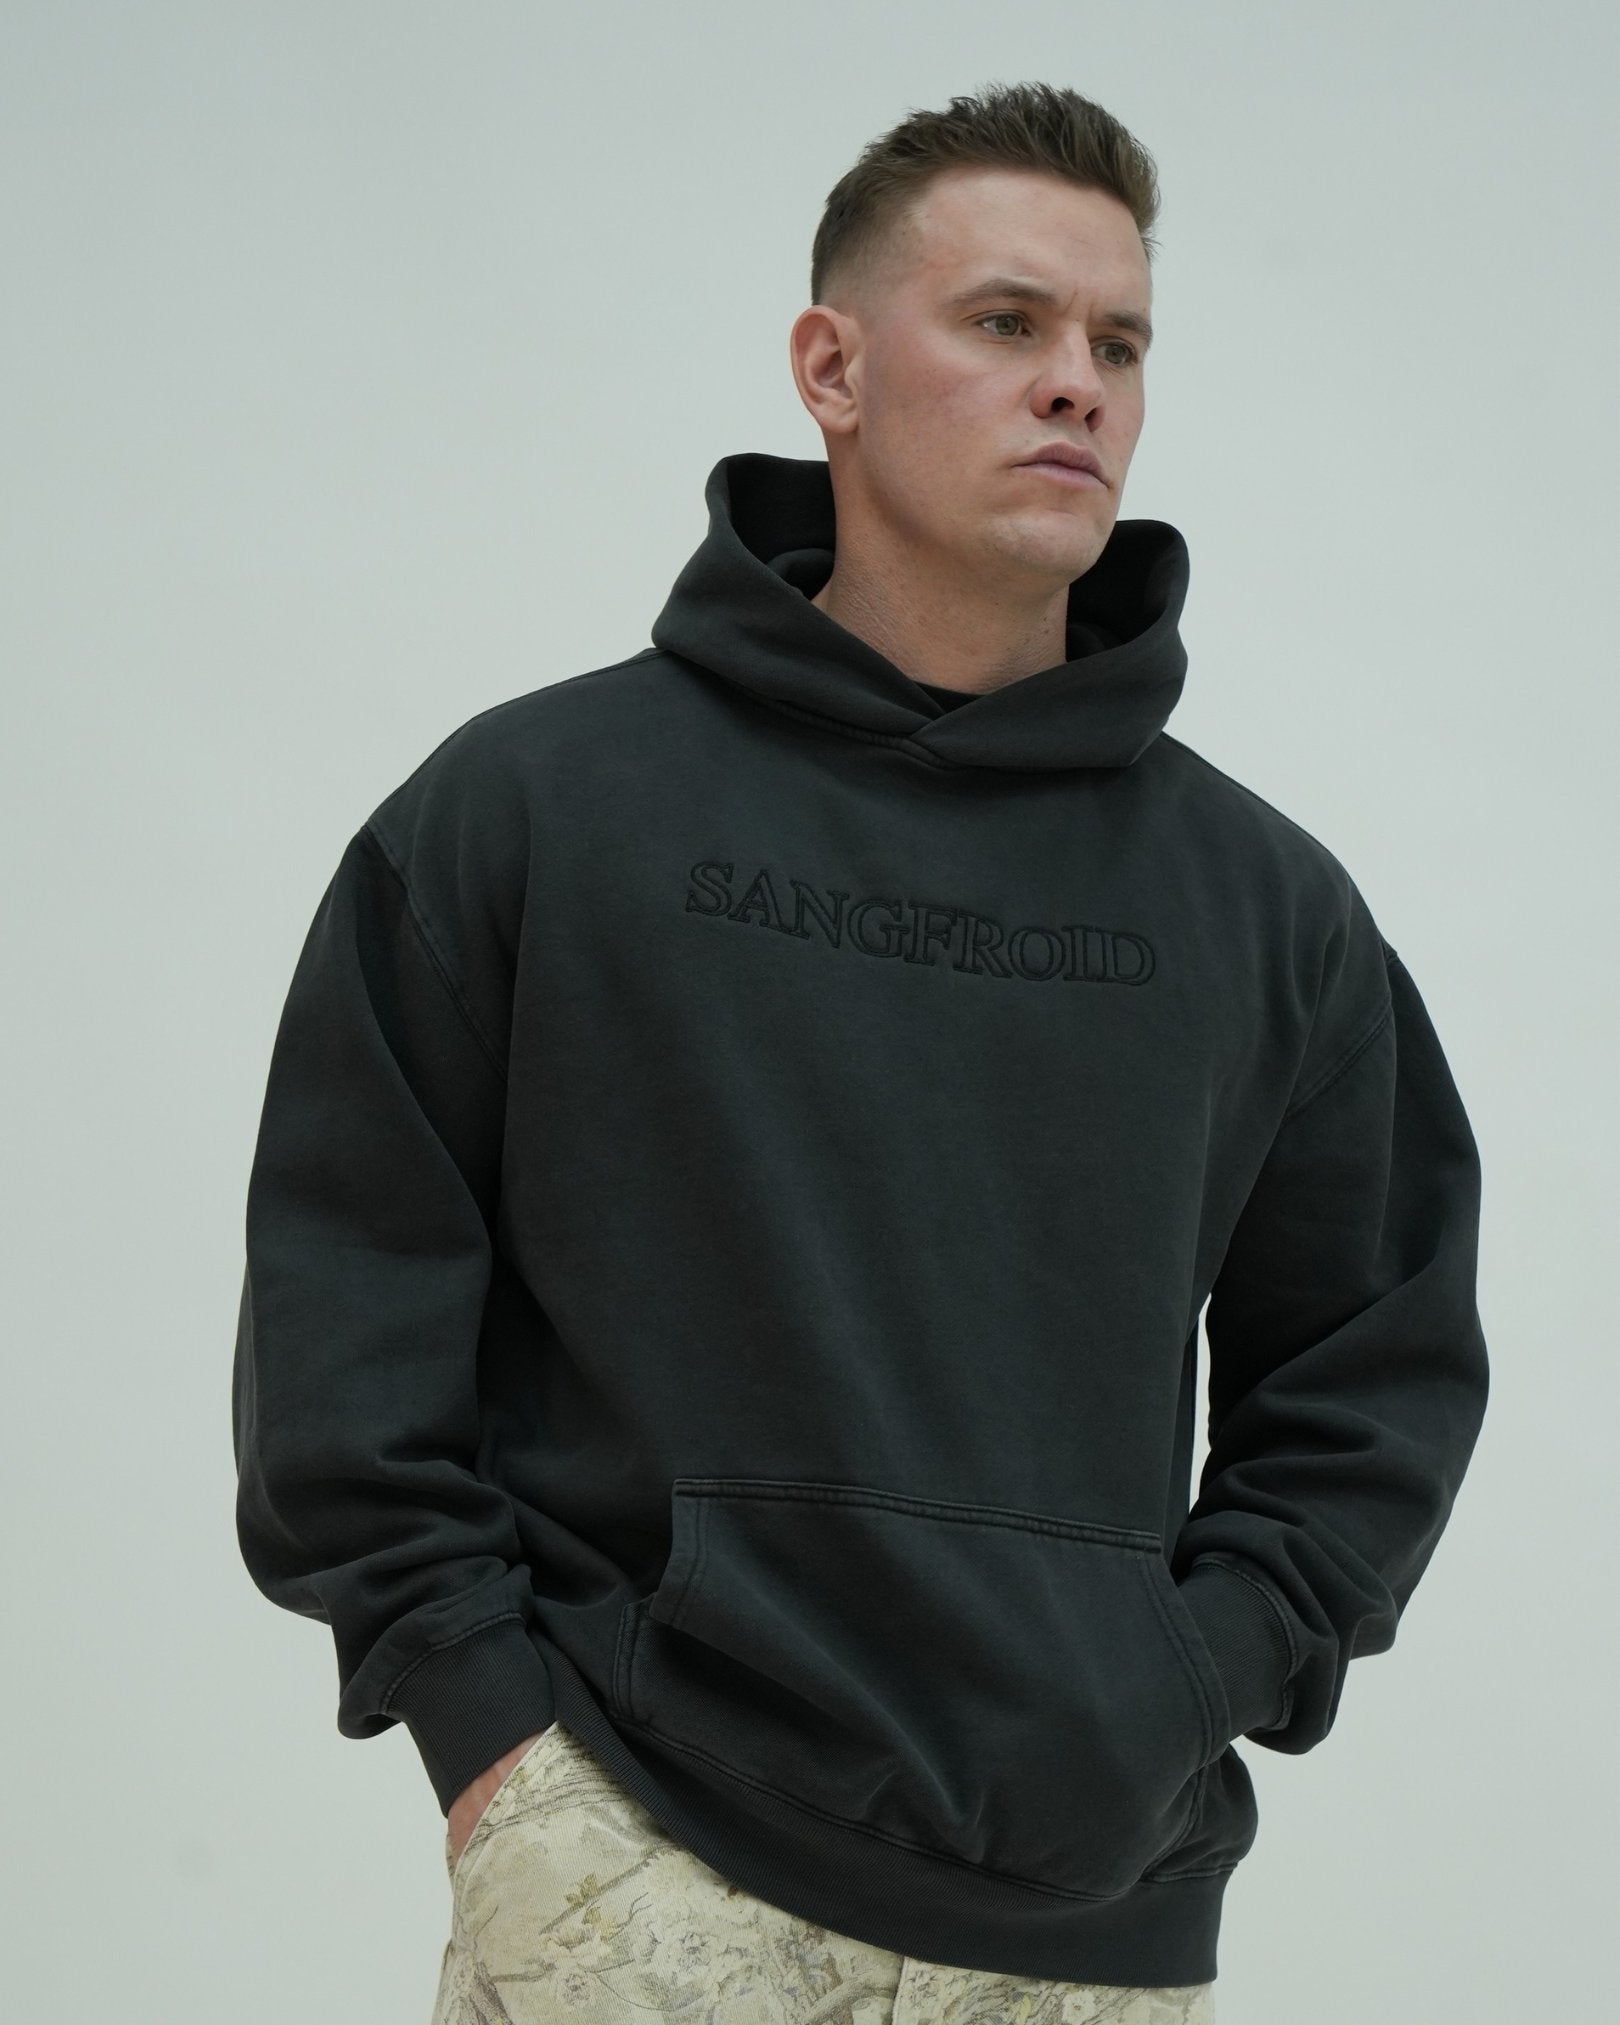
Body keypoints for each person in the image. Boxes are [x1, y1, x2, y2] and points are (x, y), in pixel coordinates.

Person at [232, 80, 1489, 2021]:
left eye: (1119, 343)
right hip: (639, 1883)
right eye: (1006, 321)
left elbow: (1373, 1375)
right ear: (832, 366)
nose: (1076, 383)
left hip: (1090, 1931)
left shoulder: (1266, 908)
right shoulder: (539, 812)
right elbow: (351, 1323)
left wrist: (1181, 1683)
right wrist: (501, 1762)